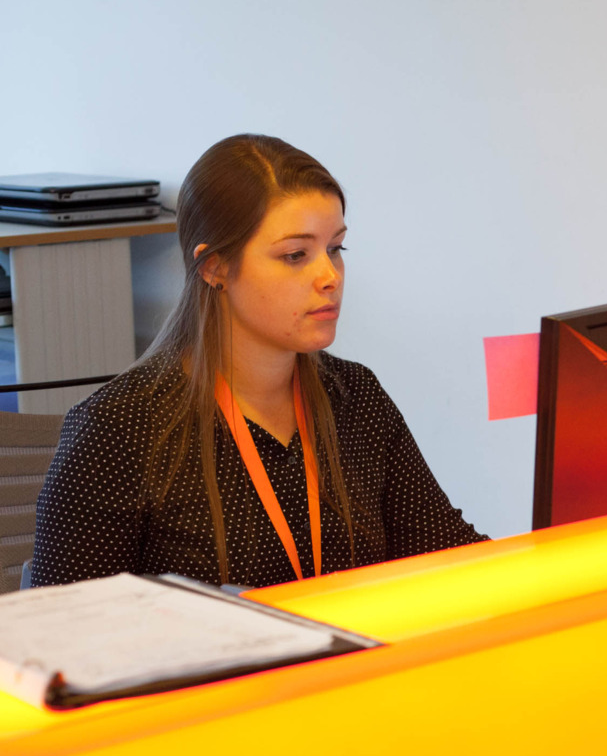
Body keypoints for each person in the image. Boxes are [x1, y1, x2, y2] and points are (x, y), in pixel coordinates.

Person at [30, 134, 487, 588]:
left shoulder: (355, 395)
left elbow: (451, 558)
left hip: (349, 639)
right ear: (215, 267)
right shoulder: (118, 430)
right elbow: (64, 625)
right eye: (295, 255)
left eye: (335, 248)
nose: (330, 276)